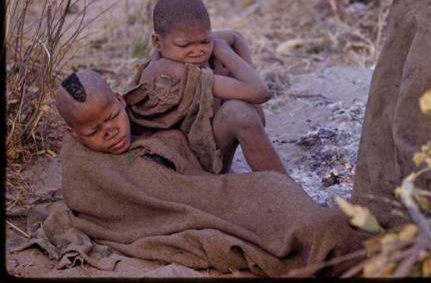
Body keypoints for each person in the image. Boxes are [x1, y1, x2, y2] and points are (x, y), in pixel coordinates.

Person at [51, 70, 366, 277]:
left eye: (112, 117)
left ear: (121, 101)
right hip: (198, 207)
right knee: (295, 225)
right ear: (72, 132)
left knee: (272, 190)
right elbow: (110, 207)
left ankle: (340, 238)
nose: (110, 132)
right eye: (94, 130)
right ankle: (338, 243)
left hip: (218, 190)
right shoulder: (84, 169)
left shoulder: (149, 113)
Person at [128, 0, 286, 175]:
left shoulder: (187, 45)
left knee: (235, 99)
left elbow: (235, 36)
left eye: (205, 41)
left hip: (204, 148)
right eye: (184, 45)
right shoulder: (165, 68)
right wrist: (222, 50)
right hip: (179, 166)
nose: (197, 51)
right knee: (238, 113)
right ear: (157, 41)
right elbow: (259, 91)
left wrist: (219, 45)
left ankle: (285, 190)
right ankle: (285, 189)